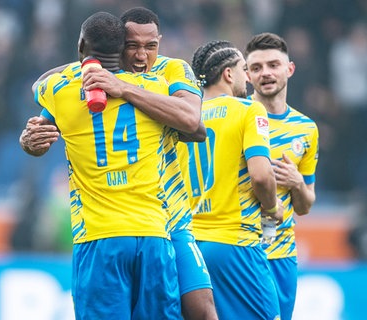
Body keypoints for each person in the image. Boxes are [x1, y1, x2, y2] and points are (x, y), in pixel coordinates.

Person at [21, 7, 217, 320]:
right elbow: (40, 125)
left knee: (203, 311)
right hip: (147, 228)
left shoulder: (170, 73)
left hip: (169, 219)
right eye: (132, 46)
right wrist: (92, 66)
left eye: (150, 46)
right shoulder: (121, 84)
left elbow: (195, 124)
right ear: (119, 45)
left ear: (160, 42)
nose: (141, 55)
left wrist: (117, 82)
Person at [185, 39, 284, 319]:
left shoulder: (184, 117)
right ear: (229, 74)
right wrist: (272, 206)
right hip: (235, 243)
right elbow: (262, 176)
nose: (249, 77)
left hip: (190, 246)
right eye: (244, 69)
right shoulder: (249, 109)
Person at [245, 32, 319, 320]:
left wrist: (297, 181)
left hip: (283, 252)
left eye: (273, 65)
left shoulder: (306, 128)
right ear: (247, 75)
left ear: (290, 69)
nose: (266, 73)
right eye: (256, 68)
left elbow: (305, 206)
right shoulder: (238, 117)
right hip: (242, 249)